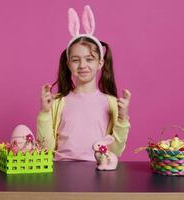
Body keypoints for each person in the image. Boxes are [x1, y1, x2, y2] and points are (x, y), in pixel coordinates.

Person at [37, 5, 131, 161]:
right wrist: (45, 113)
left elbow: (115, 152)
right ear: (68, 64)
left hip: (98, 172)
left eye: (89, 59)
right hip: (61, 172)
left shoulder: (112, 103)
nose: (82, 66)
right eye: (76, 60)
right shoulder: (58, 102)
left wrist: (123, 118)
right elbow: (46, 149)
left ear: (100, 63)